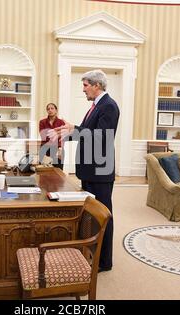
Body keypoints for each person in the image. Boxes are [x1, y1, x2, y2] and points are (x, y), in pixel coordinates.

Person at [49, 70, 120, 272]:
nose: (83, 89)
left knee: (103, 215)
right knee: (90, 215)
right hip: (90, 170)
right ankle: (91, 252)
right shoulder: (95, 107)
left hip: (100, 171)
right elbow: (88, 132)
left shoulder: (109, 106)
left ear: (97, 85)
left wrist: (74, 129)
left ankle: (104, 261)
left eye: (86, 85)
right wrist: (69, 133)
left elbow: (102, 137)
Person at [39, 103, 65, 169]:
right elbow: (43, 136)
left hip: (58, 149)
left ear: (56, 110)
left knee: (58, 171)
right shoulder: (42, 122)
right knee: (44, 171)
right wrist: (56, 134)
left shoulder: (61, 122)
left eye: (52, 108)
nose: (50, 110)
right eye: (48, 109)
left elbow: (62, 137)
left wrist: (60, 147)